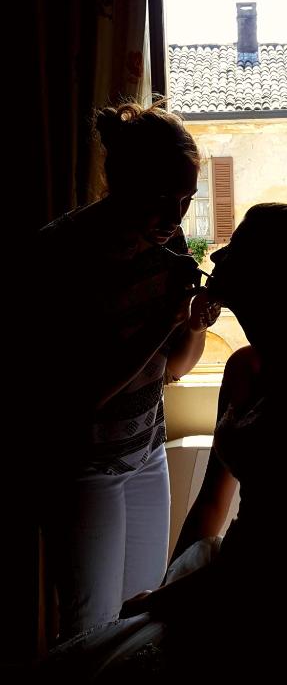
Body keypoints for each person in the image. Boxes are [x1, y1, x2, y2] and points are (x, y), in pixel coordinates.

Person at [40, 203, 287, 684]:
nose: (217, 255)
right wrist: (169, 586)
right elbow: (213, 501)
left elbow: (271, 548)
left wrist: (161, 601)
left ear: (265, 274)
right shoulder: (244, 366)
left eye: (237, 247)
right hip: (243, 573)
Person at [35, 101, 221, 644]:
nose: (176, 217)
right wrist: (165, 320)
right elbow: (77, 393)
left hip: (146, 451)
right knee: (88, 628)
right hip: (82, 466)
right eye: (163, 198)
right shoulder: (60, 253)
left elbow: (175, 369)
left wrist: (192, 325)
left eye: (186, 200)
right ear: (122, 182)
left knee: (140, 613)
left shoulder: (168, 247)